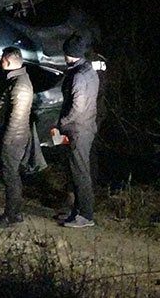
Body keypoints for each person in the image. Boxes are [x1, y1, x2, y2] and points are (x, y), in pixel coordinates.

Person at [0, 46, 34, 229]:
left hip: (13, 138)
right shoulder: (15, 80)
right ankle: (14, 213)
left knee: (10, 175)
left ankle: (11, 215)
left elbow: (17, 117)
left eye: (1, 60)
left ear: (6, 61)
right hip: (12, 137)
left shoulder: (20, 84)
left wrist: (6, 140)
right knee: (10, 174)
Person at [57, 33, 100, 228]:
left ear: (68, 54)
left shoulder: (78, 76)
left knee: (80, 173)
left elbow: (77, 106)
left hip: (78, 130)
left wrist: (63, 122)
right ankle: (77, 212)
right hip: (85, 127)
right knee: (77, 171)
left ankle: (85, 215)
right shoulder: (88, 71)